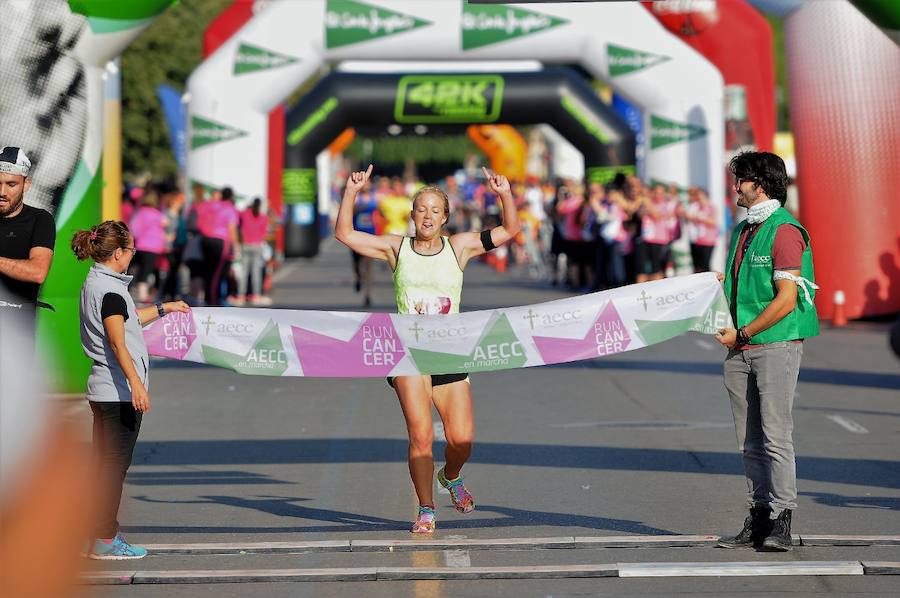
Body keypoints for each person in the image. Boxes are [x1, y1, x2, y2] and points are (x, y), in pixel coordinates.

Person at [336, 164, 520, 534]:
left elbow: (510, 229)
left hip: (450, 352)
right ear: (412, 214)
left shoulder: (460, 247)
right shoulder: (396, 247)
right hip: (408, 353)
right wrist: (351, 192)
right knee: (420, 436)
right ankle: (426, 509)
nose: (427, 216)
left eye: (436, 210)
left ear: (446, 217)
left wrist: (504, 194)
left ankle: (450, 477)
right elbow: (345, 234)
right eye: (421, 209)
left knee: (461, 440)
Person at [714, 151, 819, 552]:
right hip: (742, 345)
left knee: (775, 436)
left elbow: (786, 299)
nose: (735, 186)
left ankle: (782, 519)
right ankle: (758, 516)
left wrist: (742, 332)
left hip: (774, 342)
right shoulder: (745, 230)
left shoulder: (785, 230)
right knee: (749, 440)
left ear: (759, 184)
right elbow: (746, 285)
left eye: (740, 180)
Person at [72, 220, 189, 559]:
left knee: (103, 465)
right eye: (132, 250)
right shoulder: (109, 290)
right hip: (117, 391)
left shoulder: (98, 282)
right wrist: (136, 385)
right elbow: (118, 341)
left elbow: (127, 318)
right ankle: (105, 538)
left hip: (103, 389)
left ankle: (95, 531)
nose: (134, 255)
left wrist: (166, 308)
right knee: (113, 467)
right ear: (119, 253)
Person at [0, 146, 55, 338]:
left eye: (11, 184)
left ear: (26, 184)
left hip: (16, 330)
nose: (2, 192)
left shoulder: (40, 220)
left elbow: (38, 272)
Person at [200, 187, 240, 306]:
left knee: (208, 271)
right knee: (217, 273)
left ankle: (208, 298)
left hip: (205, 239)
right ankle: (213, 301)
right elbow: (231, 229)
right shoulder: (229, 208)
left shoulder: (210, 206)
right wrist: (236, 246)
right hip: (220, 241)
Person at [129, 188, 169, 303]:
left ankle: (133, 291)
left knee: (133, 269)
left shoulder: (139, 213)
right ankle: (143, 296)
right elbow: (166, 223)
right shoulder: (158, 215)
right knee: (145, 272)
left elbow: (133, 229)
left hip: (140, 246)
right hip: (153, 248)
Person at [237, 197, 271, 306]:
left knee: (244, 272)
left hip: (245, 245)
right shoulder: (263, 218)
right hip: (257, 246)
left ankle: (241, 295)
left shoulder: (245, 214)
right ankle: (256, 295)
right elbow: (264, 233)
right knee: (256, 272)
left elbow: (238, 217)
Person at [350, 182, 378, 307]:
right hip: (356, 237)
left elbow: (381, 213)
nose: (366, 186)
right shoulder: (356, 198)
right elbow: (351, 210)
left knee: (368, 267)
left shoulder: (375, 198)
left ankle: (368, 295)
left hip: (370, 238)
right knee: (356, 265)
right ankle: (358, 277)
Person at [684, 186, 719, 272]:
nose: (699, 199)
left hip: (708, 240)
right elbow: (688, 217)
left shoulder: (711, 207)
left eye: (701, 197)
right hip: (696, 239)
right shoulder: (696, 207)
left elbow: (713, 222)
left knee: (705, 265)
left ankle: (711, 284)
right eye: (698, 197)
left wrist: (701, 218)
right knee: (697, 266)